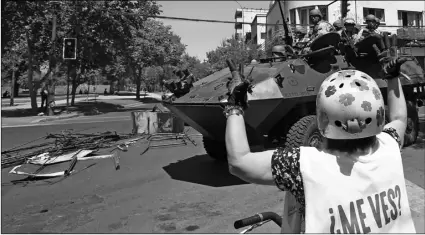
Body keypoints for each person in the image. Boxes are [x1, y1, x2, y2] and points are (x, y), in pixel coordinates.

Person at [224, 39, 415, 232]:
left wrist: (235, 107)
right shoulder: (389, 145)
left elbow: (239, 161)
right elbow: (399, 118)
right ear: (378, 113)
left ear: (323, 117)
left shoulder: (304, 165)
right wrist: (392, 77)